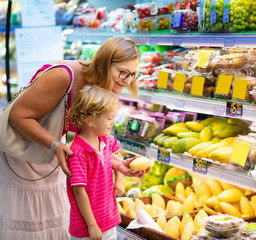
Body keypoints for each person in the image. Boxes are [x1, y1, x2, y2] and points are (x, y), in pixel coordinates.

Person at [0, 36, 146, 239]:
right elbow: (19, 116)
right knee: (30, 223)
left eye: (133, 74)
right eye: (122, 72)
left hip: (50, 155)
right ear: (104, 63)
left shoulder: (103, 86)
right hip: (23, 153)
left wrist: (118, 164)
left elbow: (91, 144)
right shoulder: (63, 76)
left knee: (53, 220)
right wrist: (54, 145)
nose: (128, 80)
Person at [67, 86, 125, 240]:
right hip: (87, 228)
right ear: (90, 119)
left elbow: (117, 154)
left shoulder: (106, 140)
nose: (113, 122)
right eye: (109, 118)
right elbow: (79, 191)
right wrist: (92, 226)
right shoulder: (77, 153)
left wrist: (119, 180)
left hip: (109, 219)